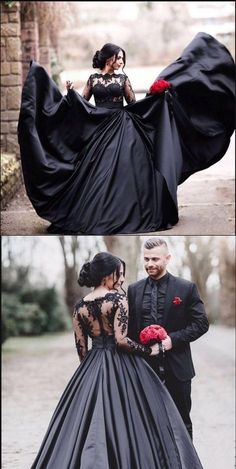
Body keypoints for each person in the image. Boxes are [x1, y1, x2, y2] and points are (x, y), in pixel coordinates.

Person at [18, 33, 235, 235]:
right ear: (108, 58)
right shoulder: (93, 79)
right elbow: (83, 103)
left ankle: (129, 209)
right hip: (100, 128)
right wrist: (71, 93)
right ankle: (97, 212)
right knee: (96, 174)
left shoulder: (123, 80)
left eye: (123, 58)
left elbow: (133, 103)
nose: (121, 62)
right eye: (118, 58)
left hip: (124, 126)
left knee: (128, 170)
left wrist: (159, 97)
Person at [30, 252, 203, 469]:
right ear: (107, 275)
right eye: (119, 274)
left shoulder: (79, 306)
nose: (121, 279)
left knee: (88, 420)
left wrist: (90, 372)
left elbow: (81, 348)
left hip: (92, 363)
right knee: (134, 414)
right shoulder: (118, 299)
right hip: (122, 361)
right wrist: (146, 351)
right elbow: (121, 340)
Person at [127, 237, 209, 440]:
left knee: (182, 422)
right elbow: (128, 330)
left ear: (168, 258)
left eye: (155, 259)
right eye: (146, 259)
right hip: (143, 368)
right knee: (147, 422)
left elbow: (201, 324)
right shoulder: (133, 290)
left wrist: (172, 340)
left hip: (178, 368)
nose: (149, 264)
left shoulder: (185, 288)